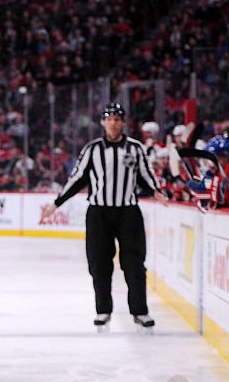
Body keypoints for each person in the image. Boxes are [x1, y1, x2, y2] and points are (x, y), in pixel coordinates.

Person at [42, 103, 168, 330]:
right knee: (99, 264)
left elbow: (146, 176)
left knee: (134, 265)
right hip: (99, 213)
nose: (113, 123)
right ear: (103, 122)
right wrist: (56, 203)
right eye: (109, 119)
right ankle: (103, 310)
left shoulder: (135, 148)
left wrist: (158, 192)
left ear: (123, 122)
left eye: (117, 119)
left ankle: (140, 311)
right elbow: (77, 179)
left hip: (128, 212)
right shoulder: (92, 149)